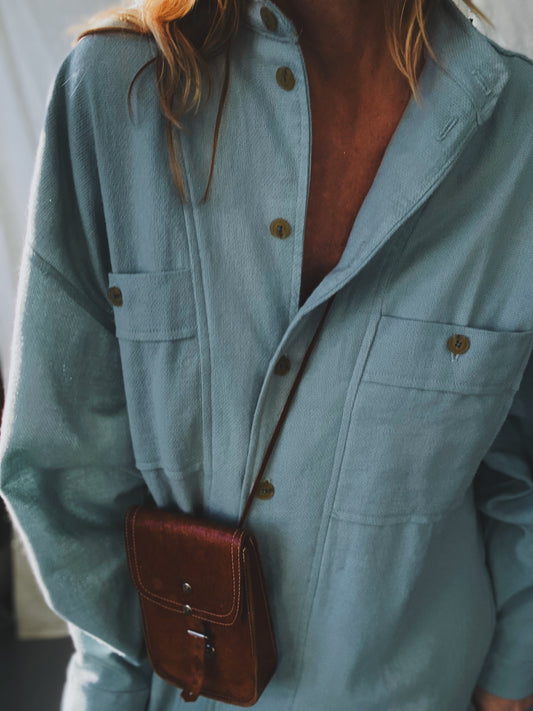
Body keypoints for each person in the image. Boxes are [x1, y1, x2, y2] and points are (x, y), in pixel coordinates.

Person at [0, 0, 532, 709]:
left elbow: (519, 468)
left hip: (432, 686)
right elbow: (65, 470)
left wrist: (513, 677)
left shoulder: (516, 132)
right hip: (180, 692)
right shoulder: (115, 90)